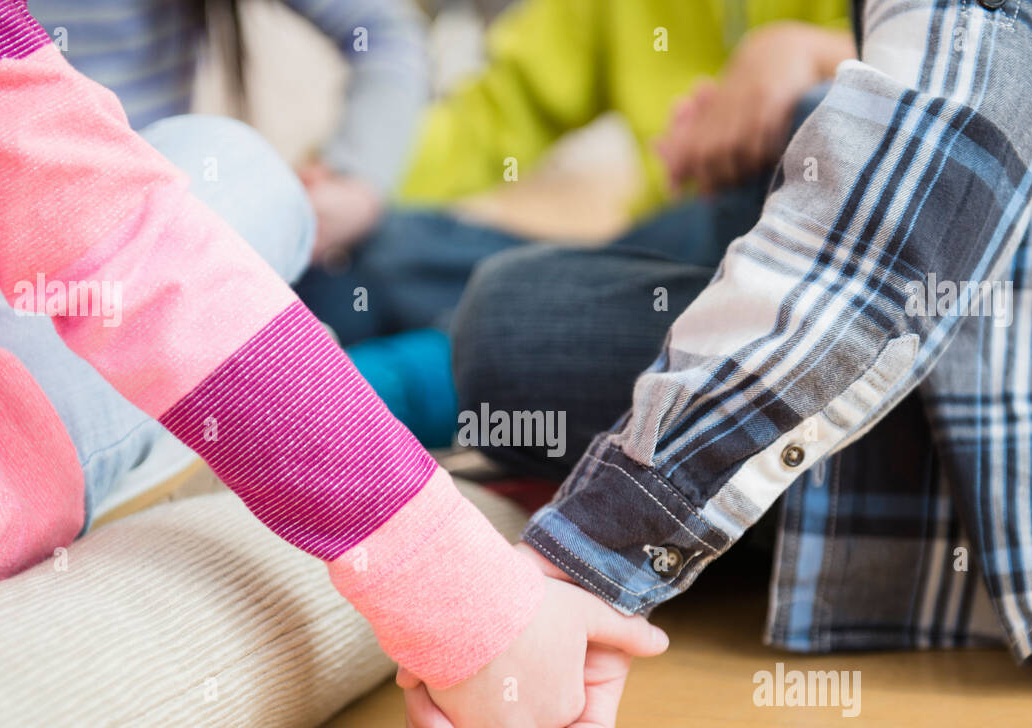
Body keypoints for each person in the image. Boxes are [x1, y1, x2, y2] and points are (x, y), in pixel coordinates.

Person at [0, 0, 666, 728]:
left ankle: (327, 389)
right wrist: (476, 614)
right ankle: (320, 398)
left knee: (401, 262)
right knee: (288, 206)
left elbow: (386, 42)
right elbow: (131, 251)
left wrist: (358, 182)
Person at [410, 0, 1032, 728]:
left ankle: (394, 355)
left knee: (509, 324)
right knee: (473, 275)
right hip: (764, 219)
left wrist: (584, 558)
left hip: (1030, 384)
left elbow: (883, 244)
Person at [295, 0, 853, 443]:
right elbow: (490, 117)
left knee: (503, 314)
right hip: (646, 258)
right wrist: (349, 186)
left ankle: (353, 395)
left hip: (769, 256)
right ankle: (394, 366)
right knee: (367, 256)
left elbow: (931, 94)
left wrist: (811, 56)